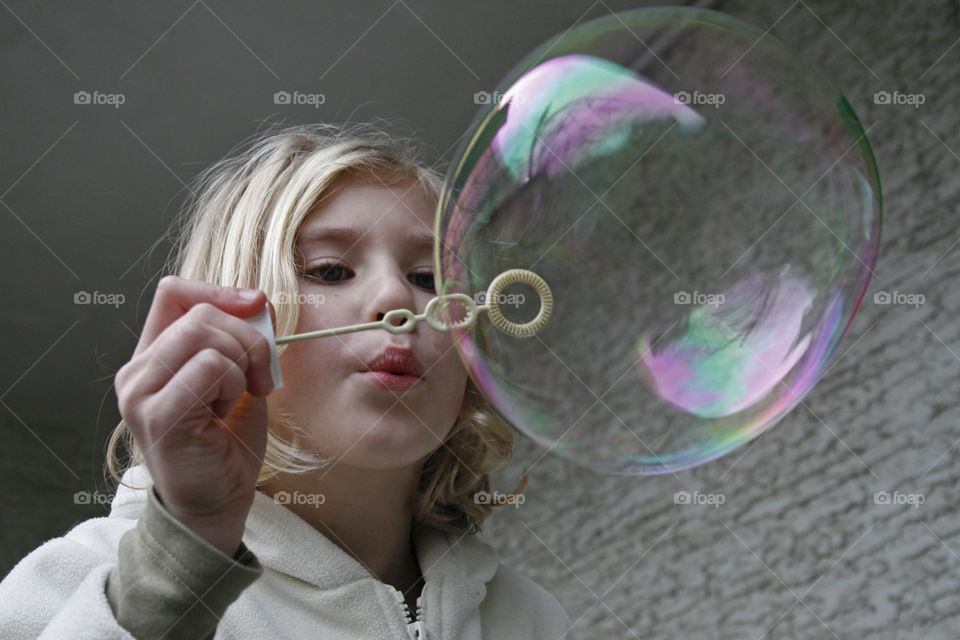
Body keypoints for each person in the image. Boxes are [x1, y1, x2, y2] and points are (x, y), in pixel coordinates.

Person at [0, 122, 573, 639]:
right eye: (329, 270)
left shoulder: (531, 622)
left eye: (428, 277)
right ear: (232, 323)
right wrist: (182, 559)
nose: (397, 299)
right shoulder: (85, 583)